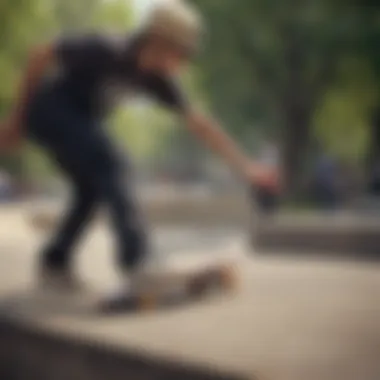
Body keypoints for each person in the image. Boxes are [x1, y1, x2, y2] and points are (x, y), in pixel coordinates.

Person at [0, 0, 278, 301]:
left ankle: (55, 260)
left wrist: (246, 166)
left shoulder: (158, 80)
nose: (183, 63)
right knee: (112, 161)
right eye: (181, 53)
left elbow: (201, 124)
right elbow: (40, 53)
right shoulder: (107, 48)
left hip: (75, 125)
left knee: (92, 189)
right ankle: (138, 262)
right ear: (158, 40)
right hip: (48, 111)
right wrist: (17, 118)